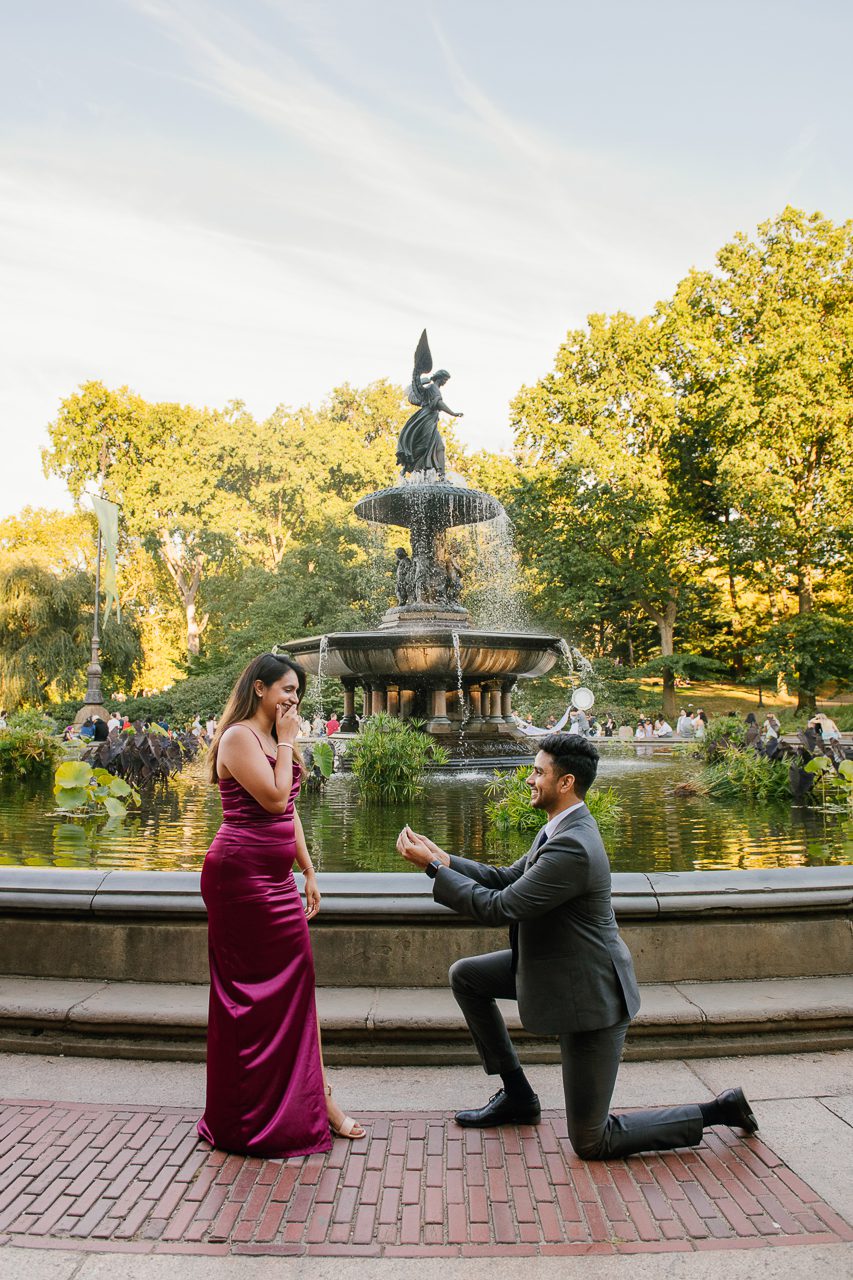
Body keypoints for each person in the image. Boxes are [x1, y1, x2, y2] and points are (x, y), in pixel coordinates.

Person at [397, 733, 758, 1156]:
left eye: (537, 772)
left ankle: (719, 1110)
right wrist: (447, 859)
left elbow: (501, 907)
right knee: (468, 977)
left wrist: (434, 870)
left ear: (565, 782)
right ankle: (518, 1096)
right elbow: (507, 879)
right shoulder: (561, 827)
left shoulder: (573, 846)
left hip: (591, 993)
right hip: (558, 967)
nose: (529, 779)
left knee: (591, 1139)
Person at [199, 653, 363, 1157]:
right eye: (287, 689)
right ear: (260, 688)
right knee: (248, 1000)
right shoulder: (238, 738)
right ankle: (247, 1114)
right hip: (239, 880)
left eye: (297, 692)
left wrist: (308, 869)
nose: (293, 699)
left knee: (297, 986)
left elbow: (288, 811)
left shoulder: (274, 739)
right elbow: (272, 799)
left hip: (274, 878)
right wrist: (290, 742)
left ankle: (317, 1098)